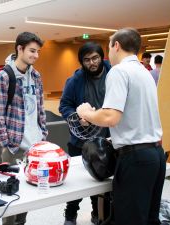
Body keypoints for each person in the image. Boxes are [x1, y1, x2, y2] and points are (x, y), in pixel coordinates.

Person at [76, 28, 166, 225]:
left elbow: (110, 117)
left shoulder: (119, 71)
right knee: (150, 219)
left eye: (109, 46)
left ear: (116, 45)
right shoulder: (144, 72)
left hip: (136, 159)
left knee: (130, 220)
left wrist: (86, 113)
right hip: (156, 155)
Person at [0, 32, 48, 225]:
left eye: (38, 51)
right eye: (32, 51)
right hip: (14, 147)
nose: (36, 56)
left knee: (28, 195)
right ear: (19, 49)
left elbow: (40, 107)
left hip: (35, 147)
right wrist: (7, 143)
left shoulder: (36, 75)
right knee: (10, 197)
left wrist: (43, 132)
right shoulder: (5, 76)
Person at [59, 42, 111, 225]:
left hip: (108, 141)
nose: (92, 63)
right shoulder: (75, 81)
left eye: (95, 58)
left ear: (101, 57)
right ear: (81, 62)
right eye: (87, 60)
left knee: (102, 183)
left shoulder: (114, 74)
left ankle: (98, 214)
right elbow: (64, 105)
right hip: (80, 142)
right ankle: (70, 215)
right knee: (76, 184)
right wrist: (76, 116)